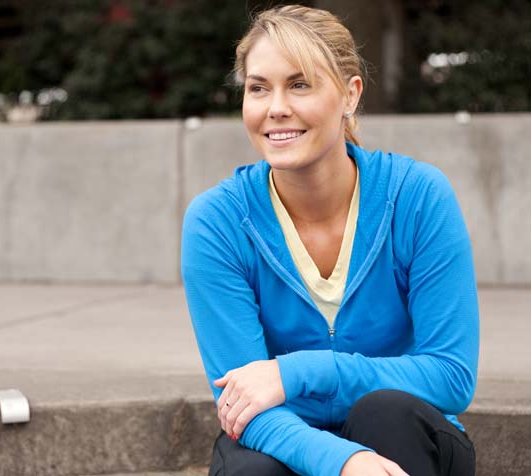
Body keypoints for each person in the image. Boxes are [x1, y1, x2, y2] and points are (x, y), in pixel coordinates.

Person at [181, 5, 478, 476]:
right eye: (259, 88)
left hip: (406, 438)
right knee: (252, 469)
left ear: (349, 95)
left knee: (386, 414)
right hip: (286, 434)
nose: (276, 107)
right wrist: (344, 460)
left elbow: (451, 376)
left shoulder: (417, 196)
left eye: (300, 84)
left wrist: (296, 372)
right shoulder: (217, 222)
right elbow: (241, 402)